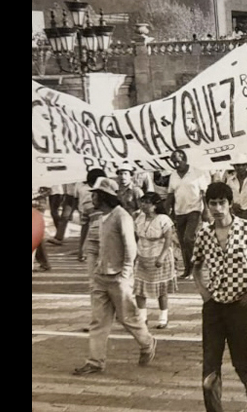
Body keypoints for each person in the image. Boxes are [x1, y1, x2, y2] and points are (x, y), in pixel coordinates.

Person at [192, 183, 247, 412]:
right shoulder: (204, 233)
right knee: (210, 365)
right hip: (214, 306)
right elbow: (196, 267)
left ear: (230, 203)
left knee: (240, 360)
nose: (217, 208)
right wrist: (204, 293)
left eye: (221, 203)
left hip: (240, 305)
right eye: (212, 203)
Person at [73, 177, 157, 376]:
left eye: (95, 194)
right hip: (101, 278)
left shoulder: (121, 216)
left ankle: (147, 343)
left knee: (128, 318)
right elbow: (92, 244)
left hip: (119, 277)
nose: (91, 197)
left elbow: (130, 247)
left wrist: (125, 273)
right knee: (98, 321)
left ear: (104, 196)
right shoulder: (98, 217)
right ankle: (95, 361)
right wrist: (92, 272)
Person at [134, 192, 177, 330]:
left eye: (147, 202)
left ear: (155, 205)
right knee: (139, 291)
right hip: (143, 256)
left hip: (159, 257)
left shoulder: (163, 219)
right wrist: (134, 255)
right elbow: (136, 238)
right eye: (142, 202)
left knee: (161, 290)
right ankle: (142, 318)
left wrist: (162, 257)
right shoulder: (139, 218)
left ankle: (163, 318)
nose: (144, 205)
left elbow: (168, 240)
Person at [167, 150, 210, 280]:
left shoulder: (197, 173)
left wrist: (206, 210)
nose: (175, 163)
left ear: (184, 159)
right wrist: (166, 211)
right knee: (182, 242)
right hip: (179, 212)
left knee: (188, 238)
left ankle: (196, 267)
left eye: (177, 160)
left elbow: (203, 193)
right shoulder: (173, 175)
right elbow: (170, 194)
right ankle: (187, 269)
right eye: (173, 161)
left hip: (194, 210)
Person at [74, 169, 107, 263]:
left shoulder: (113, 205)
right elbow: (84, 227)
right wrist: (81, 249)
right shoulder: (88, 205)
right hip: (94, 242)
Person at [226, 154, 247, 221]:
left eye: (243, 165)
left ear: (246, 166)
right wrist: (232, 205)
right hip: (235, 214)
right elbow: (227, 196)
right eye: (238, 165)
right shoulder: (230, 180)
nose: (240, 167)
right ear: (234, 166)